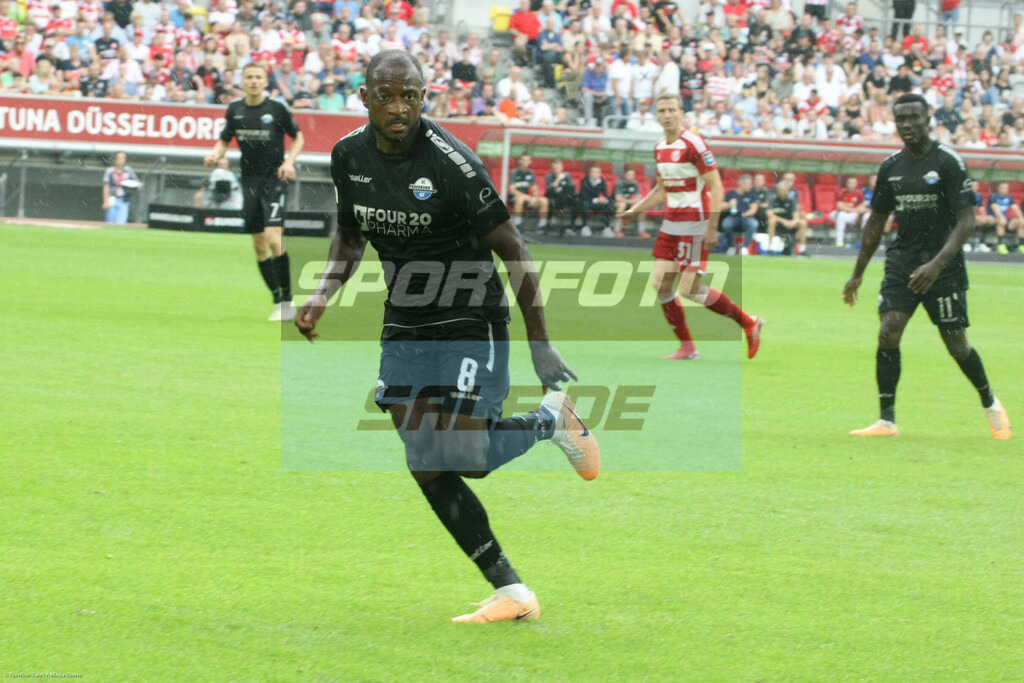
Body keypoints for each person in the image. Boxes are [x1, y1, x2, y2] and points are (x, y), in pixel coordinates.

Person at [293, 50, 601, 623]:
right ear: (364, 98)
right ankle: (511, 591)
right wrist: (319, 298)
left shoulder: (452, 163)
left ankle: (550, 418)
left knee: (468, 455)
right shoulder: (348, 155)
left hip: (469, 314)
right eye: (386, 95)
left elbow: (515, 251)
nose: (398, 107)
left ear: (423, 97)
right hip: (406, 319)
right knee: (424, 459)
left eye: (409, 96)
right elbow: (350, 237)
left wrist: (540, 342)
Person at [843, 93, 1010, 440]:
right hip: (903, 262)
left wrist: (936, 264)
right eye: (900, 119)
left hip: (943, 266)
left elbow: (967, 222)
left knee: (956, 344)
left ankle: (990, 402)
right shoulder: (891, 167)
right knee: (889, 330)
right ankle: (886, 420)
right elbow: (875, 222)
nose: (906, 125)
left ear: (928, 118)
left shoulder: (948, 162)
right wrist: (857, 272)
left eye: (913, 117)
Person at [618, 92, 764, 360]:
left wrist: (712, 227)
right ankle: (687, 347)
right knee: (661, 284)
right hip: (672, 224)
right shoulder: (660, 146)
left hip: (696, 223)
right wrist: (633, 211)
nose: (667, 115)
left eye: (672, 109)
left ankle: (749, 323)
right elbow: (662, 191)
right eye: (662, 110)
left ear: (681, 113)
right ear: (657, 115)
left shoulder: (694, 143)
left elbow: (717, 186)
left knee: (689, 289)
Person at [205, 62, 306, 322]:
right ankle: (277, 300)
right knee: (259, 245)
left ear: (265, 81)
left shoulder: (277, 108)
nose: (253, 81)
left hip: (275, 179)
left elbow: (298, 136)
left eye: (257, 77)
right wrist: (216, 154)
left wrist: (289, 162)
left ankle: (287, 299)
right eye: (249, 77)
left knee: (274, 239)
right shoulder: (235, 109)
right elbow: (225, 139)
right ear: (243, 80)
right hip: (249, 181)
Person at [766, 179, 809, 256]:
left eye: (784, 190)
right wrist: (783, 221)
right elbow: (769, 214)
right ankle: (771, 247)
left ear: (788, 190)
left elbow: (796, 216)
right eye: (780, 190)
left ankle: (802, 250)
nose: (782, 192)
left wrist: (792, 222)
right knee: (771, 221)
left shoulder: (792, 200)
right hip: (778, 223)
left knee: (803, 222)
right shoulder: (773, 199)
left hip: (790, 223)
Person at [508, 154, 549, 230]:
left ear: (530, 162)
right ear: (519, 161)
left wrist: (534, 197)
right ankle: (517, 224)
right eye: (523, 160)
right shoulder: (514, 172)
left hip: (527, 198)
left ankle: (542, 226)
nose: (525, 162)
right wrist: (526, 197)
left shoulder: (531, 173)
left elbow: (535, 188)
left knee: (544, 201)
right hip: (514, 198)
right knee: (520, 199)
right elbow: (512, 190)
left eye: (527, 160)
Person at [720, 173, 758, 253]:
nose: (750, 186)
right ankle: (731, 247)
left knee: (753, 224)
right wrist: (729, 204)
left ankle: (745, 248)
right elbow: (722, 207)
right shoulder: (731, 194)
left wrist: (746, 214)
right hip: (733, 217)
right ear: (741, 184)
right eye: (748, 184)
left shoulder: (751, 195)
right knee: (726, 224)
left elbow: (753, 209)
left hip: (746, 217)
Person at [102, 151, 140, 224]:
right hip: (112, 198)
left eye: (123, 158)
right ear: (115, 159)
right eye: (119, 158)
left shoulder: (128, 170)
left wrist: (134, 183)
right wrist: (105, 201)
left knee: (121, 222)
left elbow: (136, 180)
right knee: (110, 222)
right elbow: (106, 186)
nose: (121, 160)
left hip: (123, 199)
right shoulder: (110, 171)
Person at [543, 158, 578, 235]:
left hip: (566, 198)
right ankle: (547, 226)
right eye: (555, 168)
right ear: (552, 169)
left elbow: (572, 189)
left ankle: (572, 225)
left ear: (562, 168)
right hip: (555, 199)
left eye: (559, 168)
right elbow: (549, 191)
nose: (557, 170)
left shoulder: (567, 175)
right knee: (550, 203)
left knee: (577, 202)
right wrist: (558, 180)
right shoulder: (549, 176)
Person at [987, 181, 1024, 254]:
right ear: (998, 188)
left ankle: (1021, 245)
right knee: (1001, 222)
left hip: (1005, 219)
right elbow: (995, 208)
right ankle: (1001, 244)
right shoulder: (994, 197)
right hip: (994, 219)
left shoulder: (1009, 197)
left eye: (1006, 188)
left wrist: (1021, 218)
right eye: (1003, 188)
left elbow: (1015, 208)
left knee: (1020, 222)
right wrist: (1001, 217)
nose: (1005, 189)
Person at [831, 175, 869, 247]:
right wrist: (855, 209)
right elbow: (840, 207)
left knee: (865, 216)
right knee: (841, 215)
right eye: (850, 182)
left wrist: (852, 210)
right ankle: (839, 242)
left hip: (853, 215)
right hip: (842, 213)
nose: (851, 184)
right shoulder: (842, 192)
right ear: (846, 183)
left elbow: (862, 207)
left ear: (856, 184)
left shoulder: (859, 193)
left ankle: (863, 242)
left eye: (853, 182)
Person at [578, 163, 614, 237]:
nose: (595, 174)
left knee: (610, 205)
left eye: (597, 172)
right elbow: (583, 195)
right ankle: (585, 226)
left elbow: (606, 194)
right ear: (590, 173)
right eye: (593, 172)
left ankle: (606, 228)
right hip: (589, 202)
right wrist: (596, 199)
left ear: (600, 174)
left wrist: (604, 199)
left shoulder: (602, 182)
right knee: (584, 204)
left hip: (598, 203)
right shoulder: (585, 181)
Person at [613, 166, 645, 237]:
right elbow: (617, 198)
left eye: (632, 175)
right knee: (622, 205)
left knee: (641, 208)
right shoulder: (619, 183)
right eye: (629, 175)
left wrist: (633, 202)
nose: (631, 177)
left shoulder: (635, 183)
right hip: (617, 203)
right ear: (625, 175)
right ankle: (617, 230)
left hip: (628, 203)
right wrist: (630, 201)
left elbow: (638, 198)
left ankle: (641, 231)